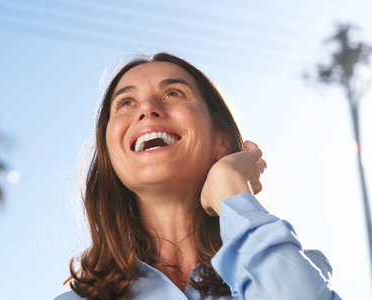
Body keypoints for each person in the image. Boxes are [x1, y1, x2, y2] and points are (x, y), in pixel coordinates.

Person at [55, 53, 342, 300]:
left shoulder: (298, 268)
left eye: (173, 93)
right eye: (126, 103)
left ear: (222, 142)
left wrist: (230, 187)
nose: (146, 109)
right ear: (111, 155)